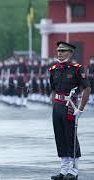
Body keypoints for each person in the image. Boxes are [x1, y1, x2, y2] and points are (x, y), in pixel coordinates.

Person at [49, 41, 91, 180]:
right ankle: (64, 170)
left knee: (71, 137)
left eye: (63, 51)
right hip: (58, 106)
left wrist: (81, 109)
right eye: (58, 51)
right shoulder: (54, 69)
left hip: (70, 106)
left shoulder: (77, 69)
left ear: (70, 53)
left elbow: (87, 88)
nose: (59, 53)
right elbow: (54, 89)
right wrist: (53, 103)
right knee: (60, 137)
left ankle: (73, 171)